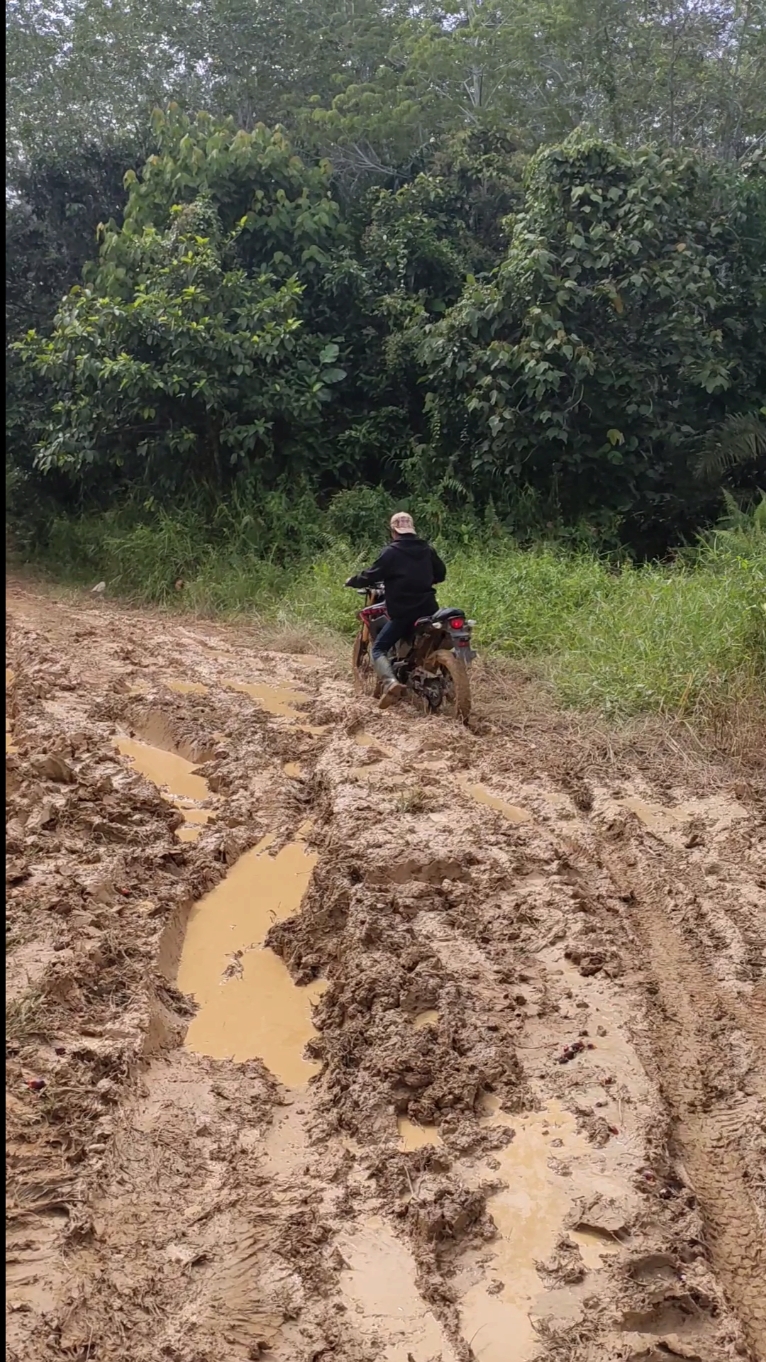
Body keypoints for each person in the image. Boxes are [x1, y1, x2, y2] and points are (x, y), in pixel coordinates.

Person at [345, 511, 446, 708]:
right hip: (429, 609)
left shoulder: (391, 552)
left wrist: (354, 580)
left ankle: (390, 683)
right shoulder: (427, 549)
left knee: (378, 649)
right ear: (412, 529)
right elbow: (441, 574)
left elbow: (372, 575)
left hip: (403, 612)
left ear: (394, 531)